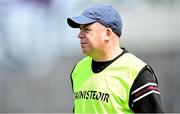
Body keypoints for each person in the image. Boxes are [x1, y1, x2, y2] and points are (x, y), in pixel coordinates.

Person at [67, 4, 163, 114]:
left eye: (87, 29)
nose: (79, 35)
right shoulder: (79, 69)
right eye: (80, 29)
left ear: (107, 33)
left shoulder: (136, 72)